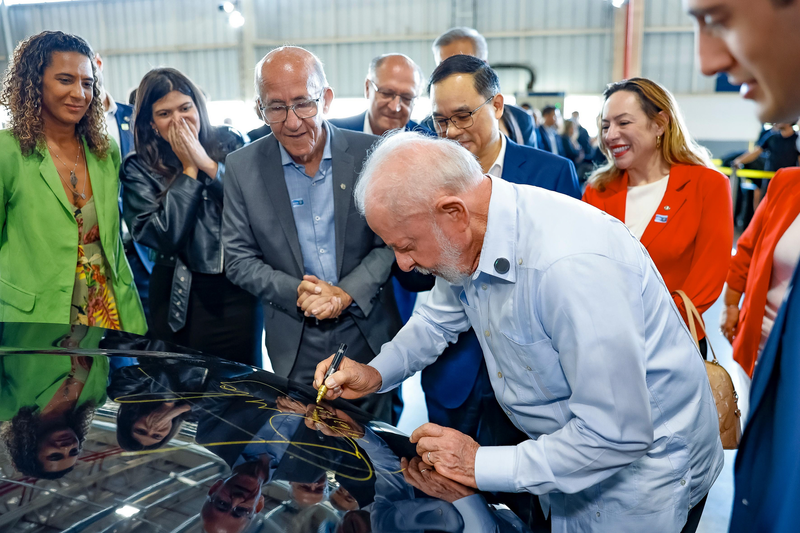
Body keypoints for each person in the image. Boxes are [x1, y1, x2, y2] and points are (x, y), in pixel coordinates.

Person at [314, 131, 723, 533]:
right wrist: (375, 373)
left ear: (453, 212)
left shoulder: (572, 267)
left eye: (406, 246)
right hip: (562, 457)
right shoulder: (465, 236)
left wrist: (477, 463)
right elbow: (435, 320)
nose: (403, 264)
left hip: (637, 484)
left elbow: (616, 434)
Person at [221, 46, 401, 422]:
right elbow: (237, 260)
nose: (292, 122)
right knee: (302, 449)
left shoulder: (371, 153)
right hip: (295, 339)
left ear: (327, 99)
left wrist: (345, 292)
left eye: (304, 104)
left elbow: (391, 243)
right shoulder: (242, 167)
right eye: (276, 108)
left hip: (366, 329)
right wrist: (300, 292)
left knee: (375, 447)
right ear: (260, 109)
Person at [420, 54, 579, 453]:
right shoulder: (431, 182)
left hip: (535, 378)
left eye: (463, 116)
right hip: (453, 371)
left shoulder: (551, 174)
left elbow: (571, 281)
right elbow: (414, 279)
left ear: (497, 105)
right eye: (440, 121)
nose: (451, 132)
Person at [687, 1, 800, 530]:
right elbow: (746, 256)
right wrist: (736, 309)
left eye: (718, 19)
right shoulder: (786, 184)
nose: (706, 61)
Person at [0, 31, 146, 333]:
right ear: (34, 82)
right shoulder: (7, 152)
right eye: (65, 80)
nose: (79, 93)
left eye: (87, 83)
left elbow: (112, 242)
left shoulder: (104, 151)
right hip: (36, 318)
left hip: (107, 308)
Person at [582, 78, 733, 355]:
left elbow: (708, 278)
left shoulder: (707, 185)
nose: (610, 135)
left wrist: (648, 327)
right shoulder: (598, 191)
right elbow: (584, 269)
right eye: (605, 126)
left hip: (674, 342)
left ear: (660, 123)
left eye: (623, 123)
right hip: (606, 341)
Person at [120, 67, 259, 365]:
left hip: (239, 288)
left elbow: (255, 207)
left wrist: (205, 162)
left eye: (185, 108)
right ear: (151, 123)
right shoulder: (138, 166)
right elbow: (163, 235)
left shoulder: (230, 141)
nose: (179, 120)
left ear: (198, 107)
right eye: (164, 113)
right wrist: (189, 170)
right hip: (179, 296)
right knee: (183, 383)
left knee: (244, 381)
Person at [94, 52, 154, 327]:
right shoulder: (68, 128)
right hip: (96, 254)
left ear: (98, 63)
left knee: (150, 333)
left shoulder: (137, 119)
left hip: (142, 251)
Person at [425, 27, 538, 148]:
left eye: (463, 116)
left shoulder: (520, 120)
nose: (451, 74)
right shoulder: (427, 130)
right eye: (443, 67)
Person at [330, 53, 432, 137]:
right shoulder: (332, 134)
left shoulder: (428, 144)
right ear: (367, 88)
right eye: (386, 93)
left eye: (407, 98)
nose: (395, 107)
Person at [733, 122, 799, 209]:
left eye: (781, 119)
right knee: (766, 206)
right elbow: (756, 152)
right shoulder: (772, 137)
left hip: (788, 182)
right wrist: (738, 161)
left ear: (789, 121)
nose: (777, 121)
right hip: (770, 181)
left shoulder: (797, 139)